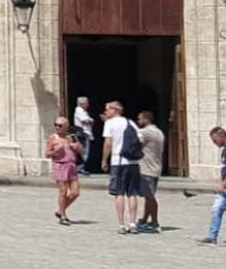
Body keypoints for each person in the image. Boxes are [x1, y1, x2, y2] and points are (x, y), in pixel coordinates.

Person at [102, 100, 141, 233]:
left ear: (115, 110)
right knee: (132, 194)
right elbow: (141, 140)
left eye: (108, 109)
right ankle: (133, 223)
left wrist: (104, 160)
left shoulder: (110, 123)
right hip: (133, 163)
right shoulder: (131, 123)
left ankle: (121, 224)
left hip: (118, 161)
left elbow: (108, 143)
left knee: (119, 193)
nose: (106, 112)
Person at [135, 110, 167, 232]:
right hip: (155, 166)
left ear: (146, 119)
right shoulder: (158, 132)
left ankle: (154, 222)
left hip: (147, 168)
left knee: (150, 196)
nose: (138, 121)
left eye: (140, 119)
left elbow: (136, 143)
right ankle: (144, 219)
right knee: (148, 196)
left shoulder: (145, 132)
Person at [48, 118, 82, 224]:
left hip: (71, 165)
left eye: (60, 125)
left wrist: (76, 147)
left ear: (66, 126)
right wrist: (55, 151)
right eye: (56, 125)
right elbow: (47, 154)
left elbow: (82, 150)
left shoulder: (72, 137)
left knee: (75, 192)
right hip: (60, 165)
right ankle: (63, 216)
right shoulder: (53, 138)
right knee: (63, 192)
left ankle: (60, 210)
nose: (57, 127)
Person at [71, 96, 96, 173]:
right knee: (83, 151)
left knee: (84, 151)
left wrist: (90, 120)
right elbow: (85, 120)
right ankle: (79, 168)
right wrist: (91, 120)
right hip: (83, 133)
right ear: (82, 104)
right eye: (86, 103)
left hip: (86, 133)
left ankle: (80, 167)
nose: (88, 105)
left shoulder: (84, 111)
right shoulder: (79, 110)